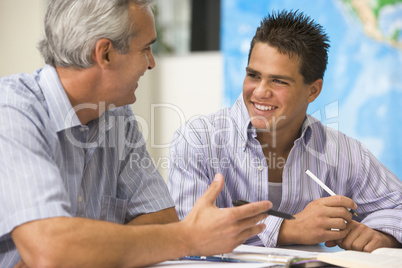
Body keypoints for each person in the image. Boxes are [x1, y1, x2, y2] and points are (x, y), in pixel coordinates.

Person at [0, 0, 272, 267]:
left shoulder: (116, 116)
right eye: (146, 49)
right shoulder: (12, 111)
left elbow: (162, 217)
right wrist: (188, 237)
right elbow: (51, 252)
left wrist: (79, 248)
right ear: (105, 53)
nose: (151, 63)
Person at [168, 10, 402, 253]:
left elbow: (398, 207)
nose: (259, 92)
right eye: (253, 75)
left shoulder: (342, 151)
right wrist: (288, 229)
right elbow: (187, 231)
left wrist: (381, 236)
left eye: (278, 81)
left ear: (313, 91)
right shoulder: (197, 139)